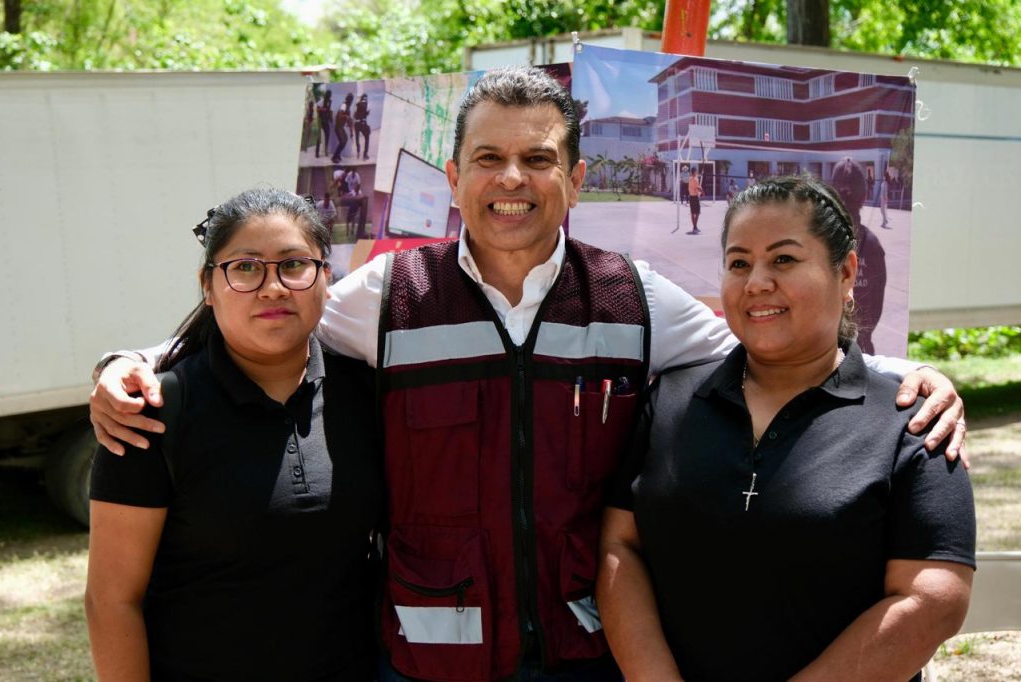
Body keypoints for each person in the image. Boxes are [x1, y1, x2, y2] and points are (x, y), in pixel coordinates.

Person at [89, 68, 966, 682]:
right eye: (489, 158)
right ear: (455, 178)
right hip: (426, 664)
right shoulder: (389, 297)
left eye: (539, 159)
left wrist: (910, 377)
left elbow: (769, 339)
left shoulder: (634, 299)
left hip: (588, 659)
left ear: (575, 179)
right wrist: (130, 366)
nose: (513, 178)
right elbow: (266, 318)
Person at [597, 176, 975, 682]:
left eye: (783, 259)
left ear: (846, 272)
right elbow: (619, 546)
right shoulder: (669, 399)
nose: (756, 282)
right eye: (739, 263)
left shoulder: (915, 424)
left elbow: (933, 599)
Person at [85, 188, 383, 681]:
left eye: (294, 265)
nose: (273, 288)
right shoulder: (154, 412)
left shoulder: (366, 393)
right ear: (208, 285)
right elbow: (112, 600)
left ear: (327, 278)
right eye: (245, 268)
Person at [830, 156, 886, 354]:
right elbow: (877, 304)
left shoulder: (816, 243)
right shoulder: (873, 245)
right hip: (861, 352)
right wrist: (863, 334)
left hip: (823, 351)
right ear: (864, 197)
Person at [333, 93, 353, 163]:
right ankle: (335, 157)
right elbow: (339, 116)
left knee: (345, 139)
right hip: (338, 126)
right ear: (347, 99)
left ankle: (338, 155)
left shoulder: (348, 107)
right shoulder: (344, 105)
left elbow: (349, 121)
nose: (351, 101)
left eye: (351, 99)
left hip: (341, 127)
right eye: (350, 99)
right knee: (342, 141)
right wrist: (345, 116)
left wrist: (351, 132)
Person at [315, 90, 333, 159]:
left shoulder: (330, 101)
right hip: (320, 119)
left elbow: (329, 110)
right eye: (329, 95)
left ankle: (326, 150)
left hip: (326, 120)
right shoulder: (322, 101)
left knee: (327, 134)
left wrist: (330, 116)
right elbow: (317, 109)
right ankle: (317, 152)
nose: (330, 96)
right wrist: (323, 109)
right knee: (319, 136)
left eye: (330, 95)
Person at [354, 93, 371, 160]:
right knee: (367, 137)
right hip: (362, 123)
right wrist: (366, 113)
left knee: (357, 138)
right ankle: (365, 154)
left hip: (356, 123)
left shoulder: (357, 104)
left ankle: (358, 152)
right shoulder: (366, 104)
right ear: (366, 98)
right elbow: (366, 113)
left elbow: (355, 115)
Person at [687, 168, 703, 234]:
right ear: (694, 172)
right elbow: (697, 187)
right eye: (696, 171)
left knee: (693, 213)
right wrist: (702, 191)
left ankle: (694, 227)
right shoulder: (696, 179)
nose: (697, 172)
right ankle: (695, 227)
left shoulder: (690, 179)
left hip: (691, 196)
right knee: (697, 212)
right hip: (695, 197)